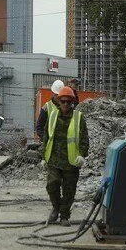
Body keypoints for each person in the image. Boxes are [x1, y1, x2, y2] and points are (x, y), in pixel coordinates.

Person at [40, 86, 89, 225]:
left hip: (71, 161)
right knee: (52, 184)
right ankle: (55, 208)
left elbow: (84, 138)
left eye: (68, 101)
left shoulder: (78, 117)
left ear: (72, 102)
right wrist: (43, 157)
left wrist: (82, 155)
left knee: (69, 189)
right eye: (63, 101)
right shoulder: (52, 116)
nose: (66, 104)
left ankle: (64, 216)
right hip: (54, 158)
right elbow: (46, 137)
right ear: (59, 101)